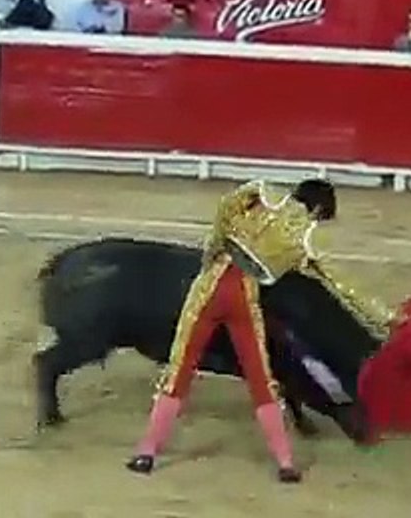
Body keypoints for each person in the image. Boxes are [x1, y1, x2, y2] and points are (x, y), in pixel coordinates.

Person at [127, 179, 342, 483]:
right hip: (244, 299)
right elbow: (334, 283)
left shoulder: (258, 199)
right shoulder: (300, 242)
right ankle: (285, 463)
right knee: (260, 378)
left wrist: (210, 253)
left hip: (208, 292)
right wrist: (383, 318)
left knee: (179, 373)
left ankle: (146, 453)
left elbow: (225, 209)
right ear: (318, 208)